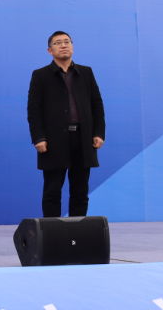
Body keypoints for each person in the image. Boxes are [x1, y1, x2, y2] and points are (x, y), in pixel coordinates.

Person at [27, 31, 105, 218]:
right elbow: (34, 109)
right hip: (53, 141)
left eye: (67, 42)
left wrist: (98, 133)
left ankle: (78, 232)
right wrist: (38, 137)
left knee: (80, 191)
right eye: (58, 43)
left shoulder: (86, 72)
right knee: (52, 191)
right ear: (50, 50)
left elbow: (97, 104)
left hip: (82, 138)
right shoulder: (41, 75)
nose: (63, 45)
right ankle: (52, 232)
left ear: (72, 47)